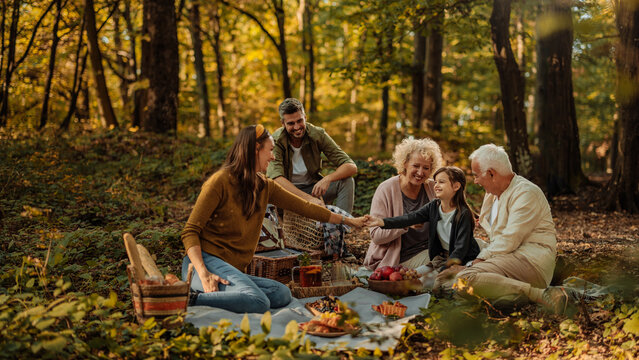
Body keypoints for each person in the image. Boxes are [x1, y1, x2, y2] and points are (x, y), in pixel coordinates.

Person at [181, 125, 367, 314]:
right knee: (259, 302)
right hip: (204, 262)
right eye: (270, 150)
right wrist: (204, 273)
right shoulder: (220, 181)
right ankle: (188, 298)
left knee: (281, 293)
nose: (273, 156)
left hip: (232, 270)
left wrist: (349, 221)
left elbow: (306, 207)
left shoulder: (264, 186)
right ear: (255, 149)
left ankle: (223, 296)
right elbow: (190, 232)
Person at [452, 144, 574, 314]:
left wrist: (477, 262)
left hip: (531, 261)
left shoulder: (526, 192)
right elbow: (498, 235)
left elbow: (510, 239)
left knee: (463, 279)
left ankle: (543, 295)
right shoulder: (493, 194)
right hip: (510, 256)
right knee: (453, 268)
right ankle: (507, 295)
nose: (476, 181)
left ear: (491, 173)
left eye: (476, 176)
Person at [366, 166, 480, 272]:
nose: (436, 185)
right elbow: (410, 218)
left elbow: (460, 250)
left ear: (456, 186)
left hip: (463, 259)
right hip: (441, 257)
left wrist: (443, 270)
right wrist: (382, 222)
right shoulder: (433, 206)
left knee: (437, 284)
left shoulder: (463, 214)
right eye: (435, 182)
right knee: (415, 277)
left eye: (441, 182)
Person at [363, 138, 443, 270]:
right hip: (400, 258)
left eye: (426, 168)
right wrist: (406, 224)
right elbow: (376, 236)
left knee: (476, 246)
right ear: (405, 163)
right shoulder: (386, 189)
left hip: (432, 250)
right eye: (416, 166)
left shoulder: (432, 188)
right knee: (447, 260)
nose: (420, 172)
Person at [266, 98, 357, 214]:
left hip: (312, 190)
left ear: (305, 117)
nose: (297, 127)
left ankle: (341, 228)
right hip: (286, 194)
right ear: (283, 123)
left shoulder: (317, 135)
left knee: (346, 181)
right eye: (291, 123)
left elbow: (350, 166)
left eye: (300, 121)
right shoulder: (276, 140)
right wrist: (309, 200)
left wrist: (328, 178)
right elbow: (276, 179)